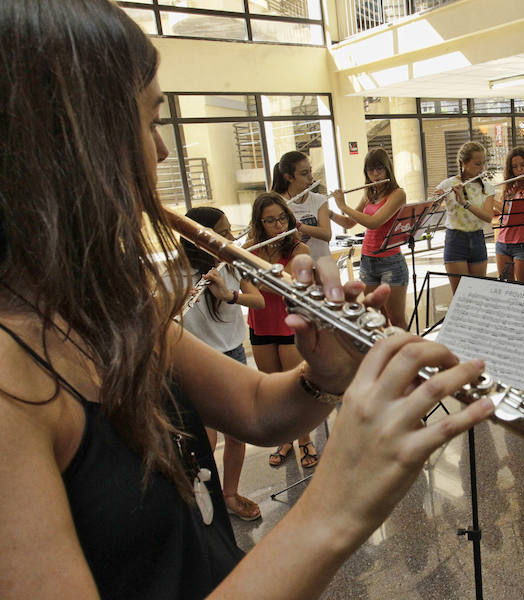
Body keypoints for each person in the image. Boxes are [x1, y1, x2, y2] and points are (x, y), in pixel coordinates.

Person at [0, 2, 493, 597]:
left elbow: (259, 409)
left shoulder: (106, 309)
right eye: (152, 120)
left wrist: (324, 374)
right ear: (67, 145)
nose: (159, 153)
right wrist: (337, 507)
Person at [180, 207, 266, 521]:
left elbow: (258, 300)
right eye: (224, 232)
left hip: (234, 356)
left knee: (237, 432)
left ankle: (229, 493)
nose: (231, 237)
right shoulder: (175, 275)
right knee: (206, 437)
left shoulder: (231, 264)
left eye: (230, 230)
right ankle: (206, 494)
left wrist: (229, 296)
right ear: (200, 238)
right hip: (200, 361)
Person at [244, 192, 319, 468]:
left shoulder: (300, 249)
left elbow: (289, 286)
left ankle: (304, 440)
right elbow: (247, 285)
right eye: (270, 220)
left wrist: (253, 277)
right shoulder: (252, 248)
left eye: (282, 218)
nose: (278, 225)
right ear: (259, 223)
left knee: (295, 388)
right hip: (261, 325)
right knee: (273, 388)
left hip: (289, 324)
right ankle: (285, 438)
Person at [333, 147, 409, 327]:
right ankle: (385, 352)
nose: (375, 174)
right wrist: (326, 212)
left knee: (396, 319)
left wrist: (343, 206)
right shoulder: (369, 194)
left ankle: (405, 352)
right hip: (368, 261)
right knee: (375, 316)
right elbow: (348, 223)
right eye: (370, 170)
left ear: (387, 169)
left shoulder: (398, 194)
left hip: (390, 261)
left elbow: (374, 222)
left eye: (379, 169)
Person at [436, 142, 496, 293]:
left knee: (477, 294)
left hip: (477, 239)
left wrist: (465, 203)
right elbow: (432, 208)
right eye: (477, 164)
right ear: (464, 163)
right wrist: (435, 201)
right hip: (455, 240)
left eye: (483, 163)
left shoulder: (487, 187)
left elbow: (488, 217)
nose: (481, 168)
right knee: (460, 295)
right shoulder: (448, 184)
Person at [271, 150, 333, 260]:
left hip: (323, 263)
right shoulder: (277, 204)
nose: (311, 177)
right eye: (304, 173)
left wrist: (298, 226)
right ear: (289, 177)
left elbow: (326, 234)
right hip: (296, 266)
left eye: (310, 171)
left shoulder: (319, 199)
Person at [495, 147, 524, 284]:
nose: (519, 170)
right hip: (503, 242)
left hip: (523, 243)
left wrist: (491, 199)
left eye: (522, 165)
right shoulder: (512, 188)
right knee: (506, 288)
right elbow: (501, 213)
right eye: (515, 167)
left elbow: (513, 210)